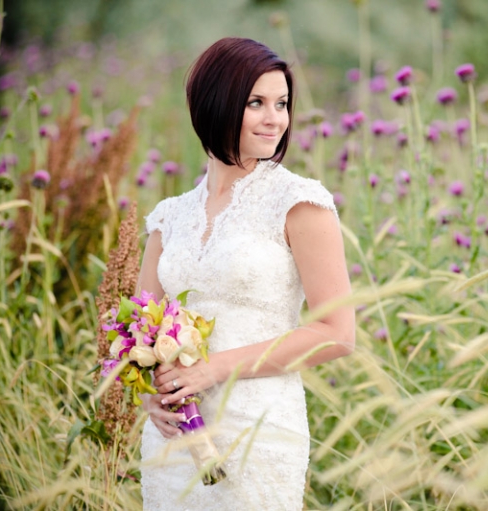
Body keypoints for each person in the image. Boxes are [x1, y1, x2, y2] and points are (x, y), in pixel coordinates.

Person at [136, 37, 355, 510]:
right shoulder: (169, 217)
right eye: (256, 103)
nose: (275, 118)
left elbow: (337, 333)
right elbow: (140, 331)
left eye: (282, 103)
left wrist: (214, 368)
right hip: (175, 440)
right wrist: (149, 398)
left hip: (259, 431)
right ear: (216, 104)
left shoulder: (299, 203)